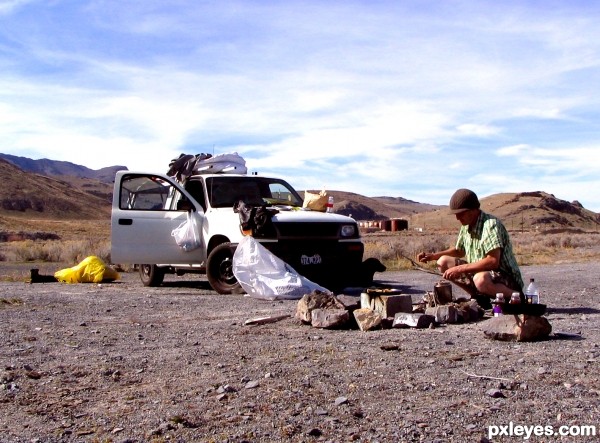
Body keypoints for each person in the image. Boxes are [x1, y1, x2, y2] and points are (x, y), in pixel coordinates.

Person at [417, 188, 524, 305]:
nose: (457, 218)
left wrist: (459, 269)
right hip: (481, 274)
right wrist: (433, 256)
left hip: (505, 277)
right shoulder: (466, 226)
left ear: (473, 210)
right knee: (443, 262)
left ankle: (516, 296)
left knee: (480, 279)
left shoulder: (490, 225)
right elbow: (459, 251)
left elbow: (493, 261)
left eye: (460, 214)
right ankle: (479, 296)